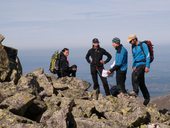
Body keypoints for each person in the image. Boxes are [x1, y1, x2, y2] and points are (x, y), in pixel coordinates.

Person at [127, 34, 150, 106]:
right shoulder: (133, 46)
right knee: (141, 83)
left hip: (143, 63)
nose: (130, 42)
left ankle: (135, 91)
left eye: (130, 41)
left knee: (134, 75)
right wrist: (133, 65)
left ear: (134, 39)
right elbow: (134, 57)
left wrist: (147, 66)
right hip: (137, 64)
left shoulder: (143, 45)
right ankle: (147, 98)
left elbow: (147, 55)